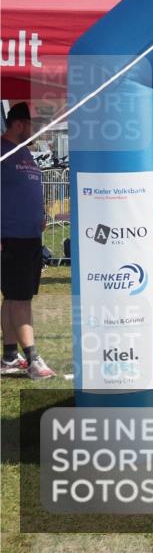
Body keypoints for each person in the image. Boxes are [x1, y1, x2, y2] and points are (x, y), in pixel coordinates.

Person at [1, 103, 55, 380]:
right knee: (20, 299)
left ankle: (10, 356)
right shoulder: (2, 151)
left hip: (30, 236)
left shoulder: (23, 153)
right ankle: (34, 358)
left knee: (14, 297)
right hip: (11, 237)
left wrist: (41, 212)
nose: (37, 132)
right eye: (35, 125)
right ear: (19, 124)